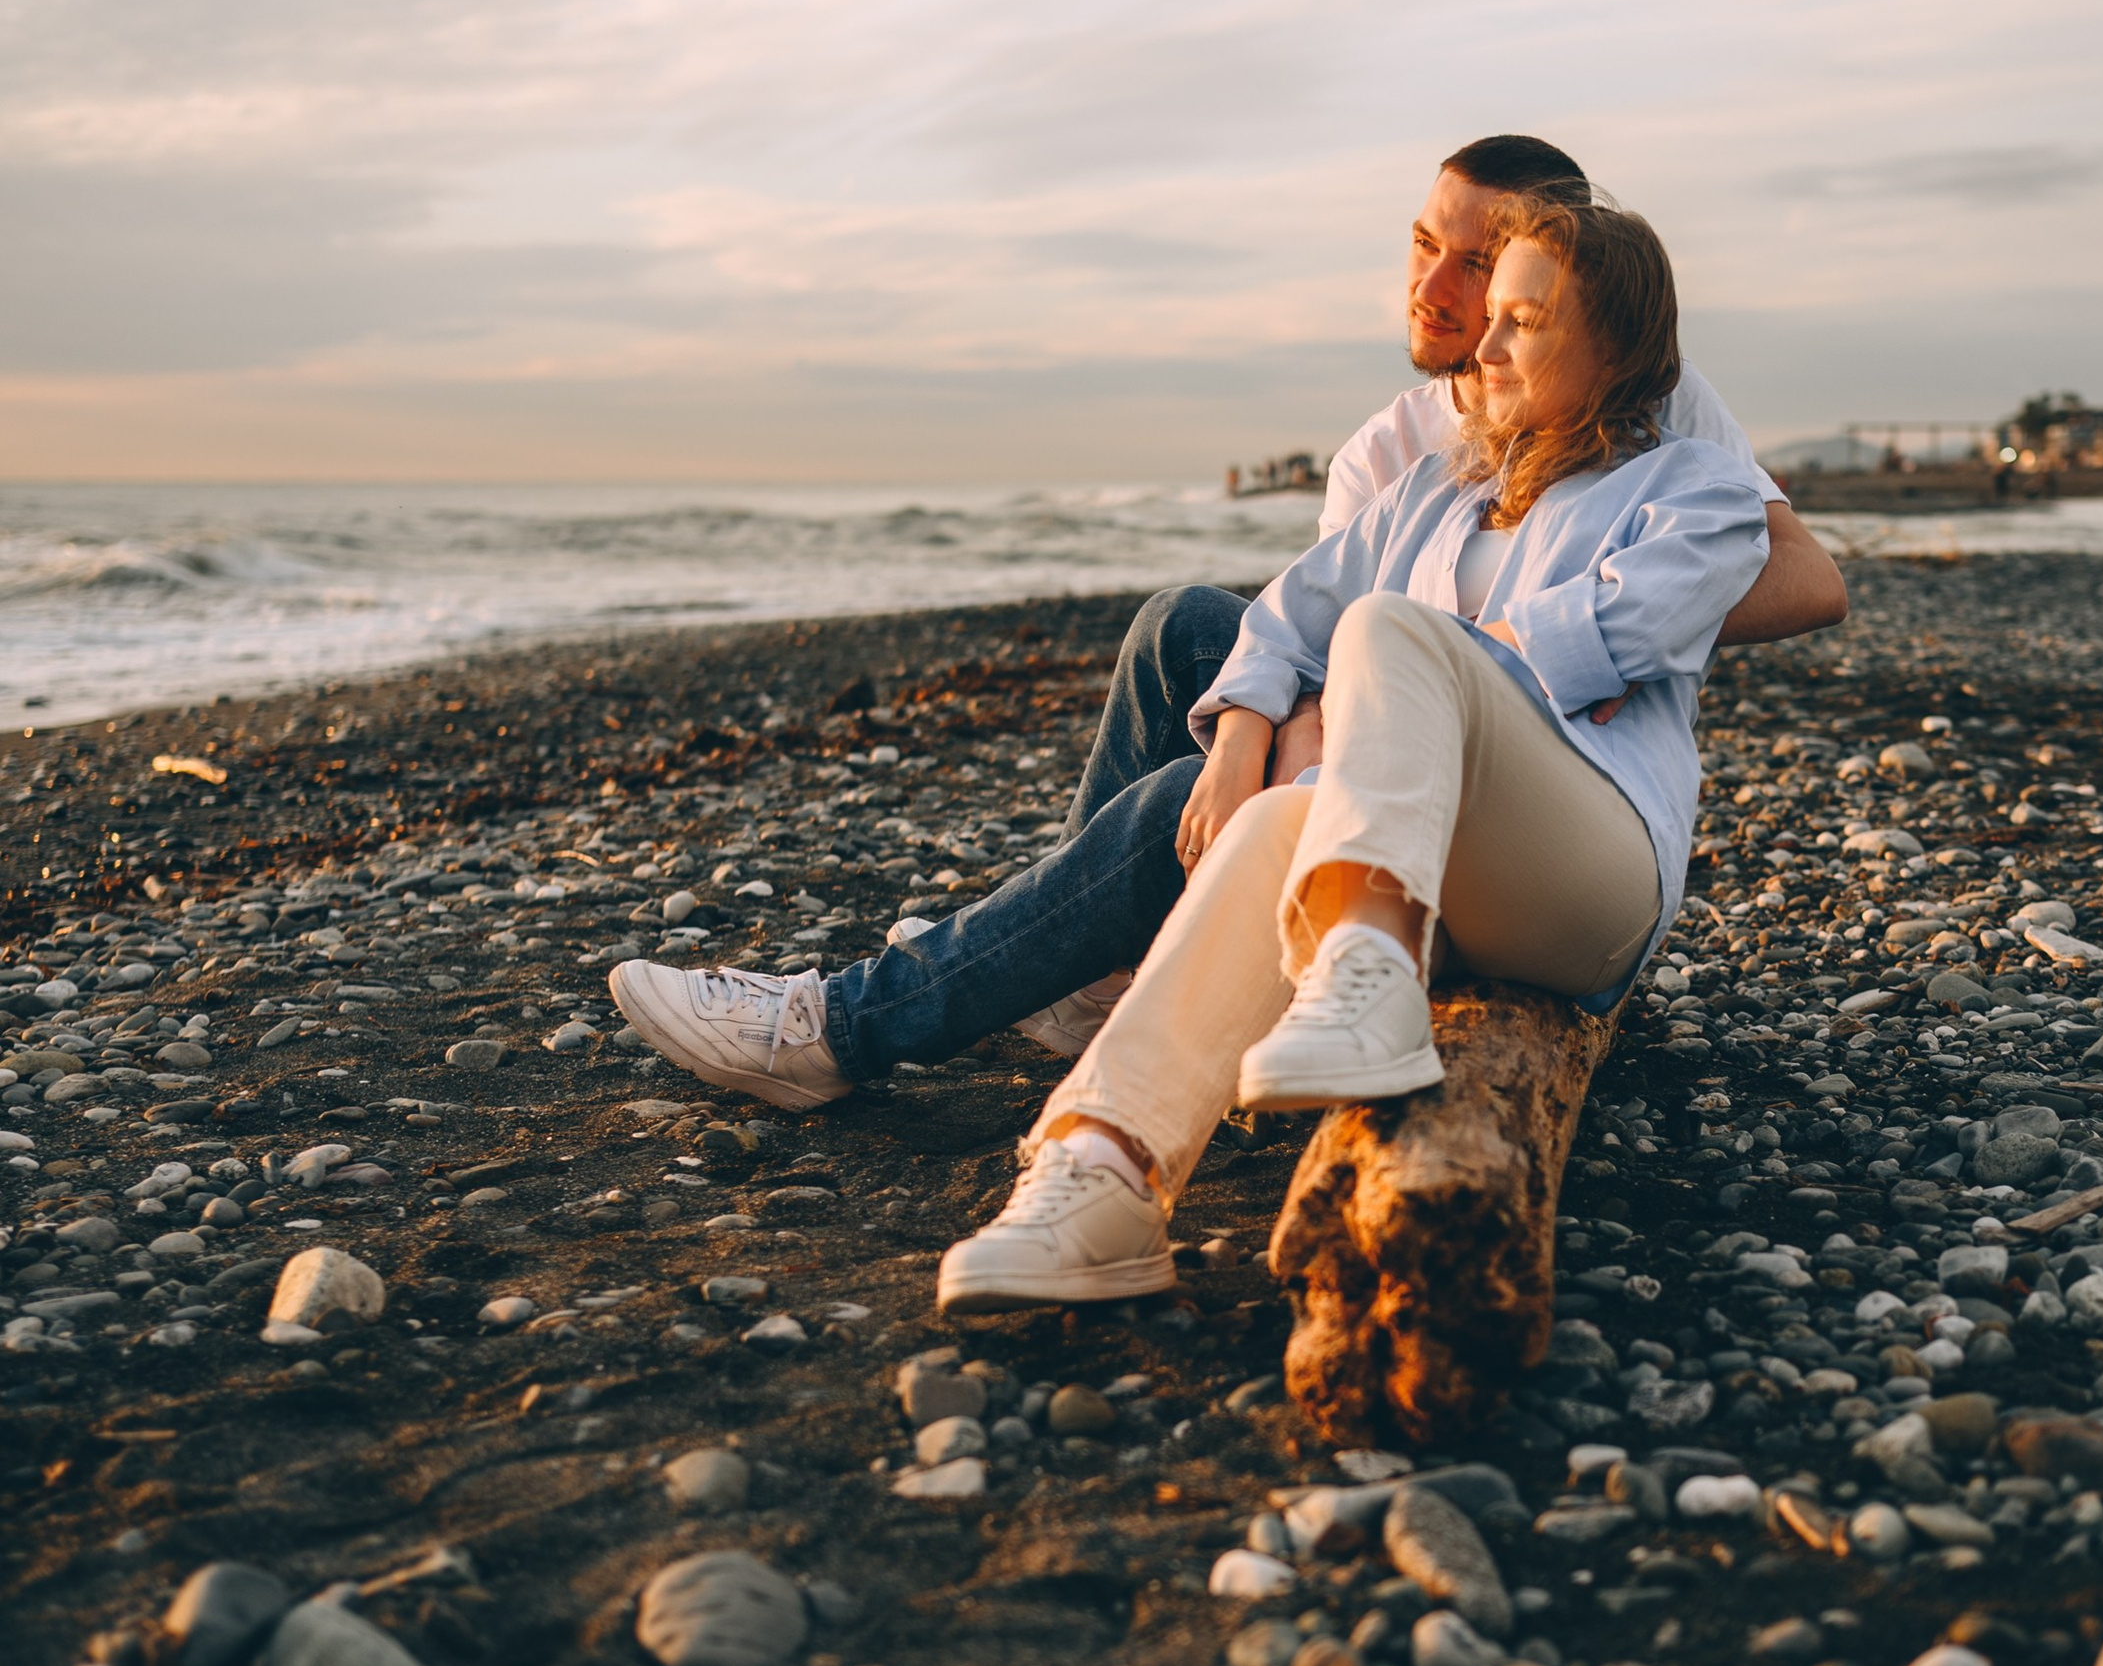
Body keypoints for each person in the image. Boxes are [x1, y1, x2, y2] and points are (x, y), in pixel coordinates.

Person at [605, 137, 1843, 1113]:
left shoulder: (1660, 415)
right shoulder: (1405, 455)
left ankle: (845, 1024)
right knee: (1184, 627)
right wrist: (1257, 729)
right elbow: (1310, 628)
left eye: (1483, 270)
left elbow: (1797, 577)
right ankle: (1091, 966)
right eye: (1425, 246)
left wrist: (1605, 626)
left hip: (1540, 791)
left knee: (1198, 797)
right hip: (1385, 744)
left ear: (1561, 285)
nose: (1435, 288)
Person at [934, 192, 1771, 1310]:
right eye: (1492, 318)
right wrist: (1240, 740)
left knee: (1383, 630)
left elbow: (1605, 637)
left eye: (1524, 321)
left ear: (1617, 347)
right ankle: (1107, 1172)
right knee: (1282, 817)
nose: (1485, 344)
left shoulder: (1697, 491)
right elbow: (1284, 614)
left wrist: (1409, 667)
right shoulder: (1438, 489)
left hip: (1589, 871)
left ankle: (1365, 973)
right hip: (1439, 870)